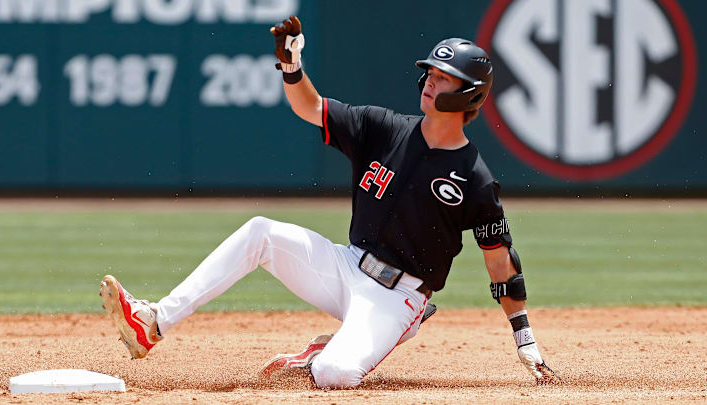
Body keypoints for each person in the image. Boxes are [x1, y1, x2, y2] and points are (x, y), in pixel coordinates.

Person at [100, 15, 559, 389]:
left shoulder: (474, 179)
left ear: (467, 93)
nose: (429, 82)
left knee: (335, 374)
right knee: (260, 231)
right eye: (431, 74)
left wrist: (524, 338)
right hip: (344, 265)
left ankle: (327, 351)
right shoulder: (382, 128)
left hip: (398, 297)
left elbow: (501, 261)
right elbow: (311, 107)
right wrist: (291, 69)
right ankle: (153, 320)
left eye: (443, 78)